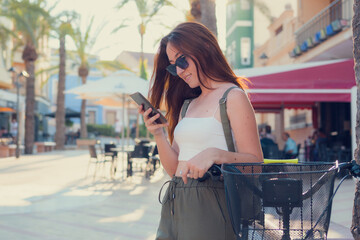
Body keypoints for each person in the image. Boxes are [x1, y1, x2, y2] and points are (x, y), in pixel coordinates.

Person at [138, 22, 263, 240]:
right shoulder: (188, 104)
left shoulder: (232, 97)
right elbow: (174, 168)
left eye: (182, 60)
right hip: (175, 198)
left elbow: (255, 165)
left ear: (204, 47)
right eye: (172, 66)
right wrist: (158, 134)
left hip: (212, 200)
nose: (178, 71)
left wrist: (216, 154)